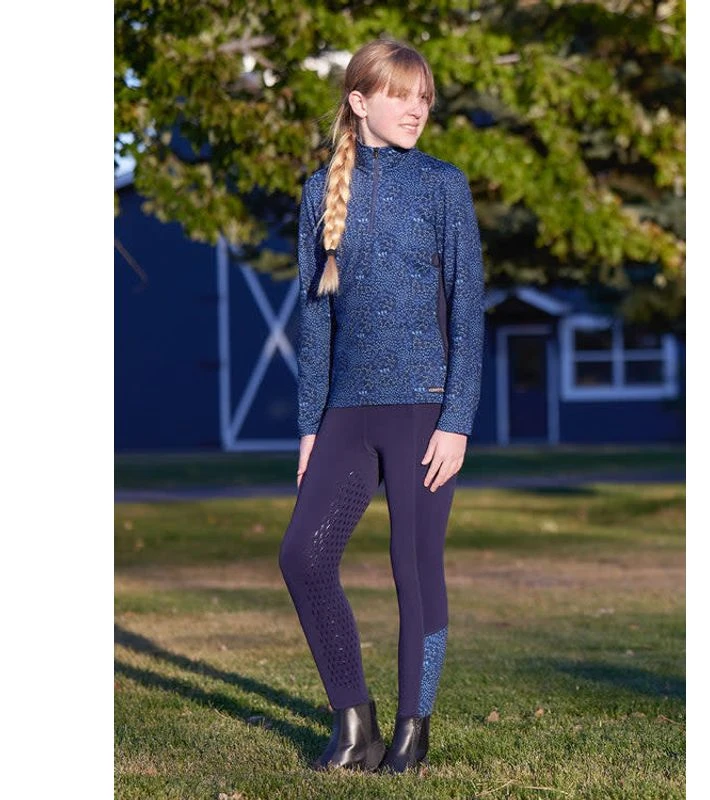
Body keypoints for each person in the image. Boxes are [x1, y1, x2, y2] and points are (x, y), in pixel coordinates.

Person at [278, 37, 484, 774]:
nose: (416, 109)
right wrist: (310, 427)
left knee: (413, 564)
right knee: (303, 556)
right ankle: (354, 724)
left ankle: (411, 731)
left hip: (424, 411)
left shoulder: (442, 185)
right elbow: (315, 320)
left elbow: (468, 310)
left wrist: (457, 419)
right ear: (360, 101)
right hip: (346, 413)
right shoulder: (318, 193)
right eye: (400, 95)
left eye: (423, 96)